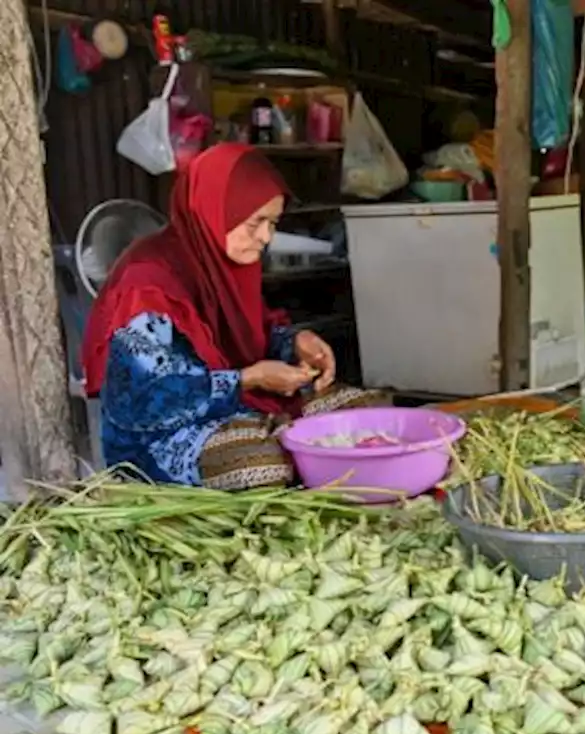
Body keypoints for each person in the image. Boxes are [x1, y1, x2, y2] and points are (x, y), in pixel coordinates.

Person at [82, 143, 385, 491]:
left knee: (362, 413)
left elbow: (254, 331)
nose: (266, 237)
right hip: (157, 439)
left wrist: (294, 343)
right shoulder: (146, 282)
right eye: (255, 222)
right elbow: (144, 399)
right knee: (262, 464)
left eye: (273, 223)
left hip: (237, 409)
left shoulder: (225, 264)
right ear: (214, 210)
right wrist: (245, 379)